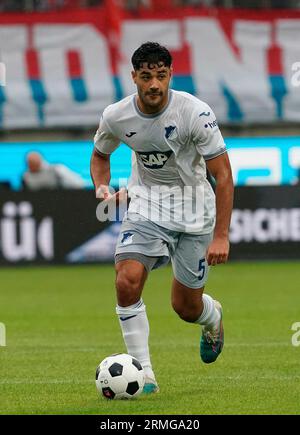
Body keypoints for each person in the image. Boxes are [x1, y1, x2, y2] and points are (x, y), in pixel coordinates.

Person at [90, 42, 234, 393]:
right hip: (146, 205)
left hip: (195, 211)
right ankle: (146, 375)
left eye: (161, 75)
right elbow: (99, 155)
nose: (154, 84)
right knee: (126, 280)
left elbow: (224, 175)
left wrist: (221, 236)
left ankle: (212, 317)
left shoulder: (195, 113)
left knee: (185, 307)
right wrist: (103, 186)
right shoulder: (116, 116)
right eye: (146, 76)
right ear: (133, 77)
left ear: (170, 74)